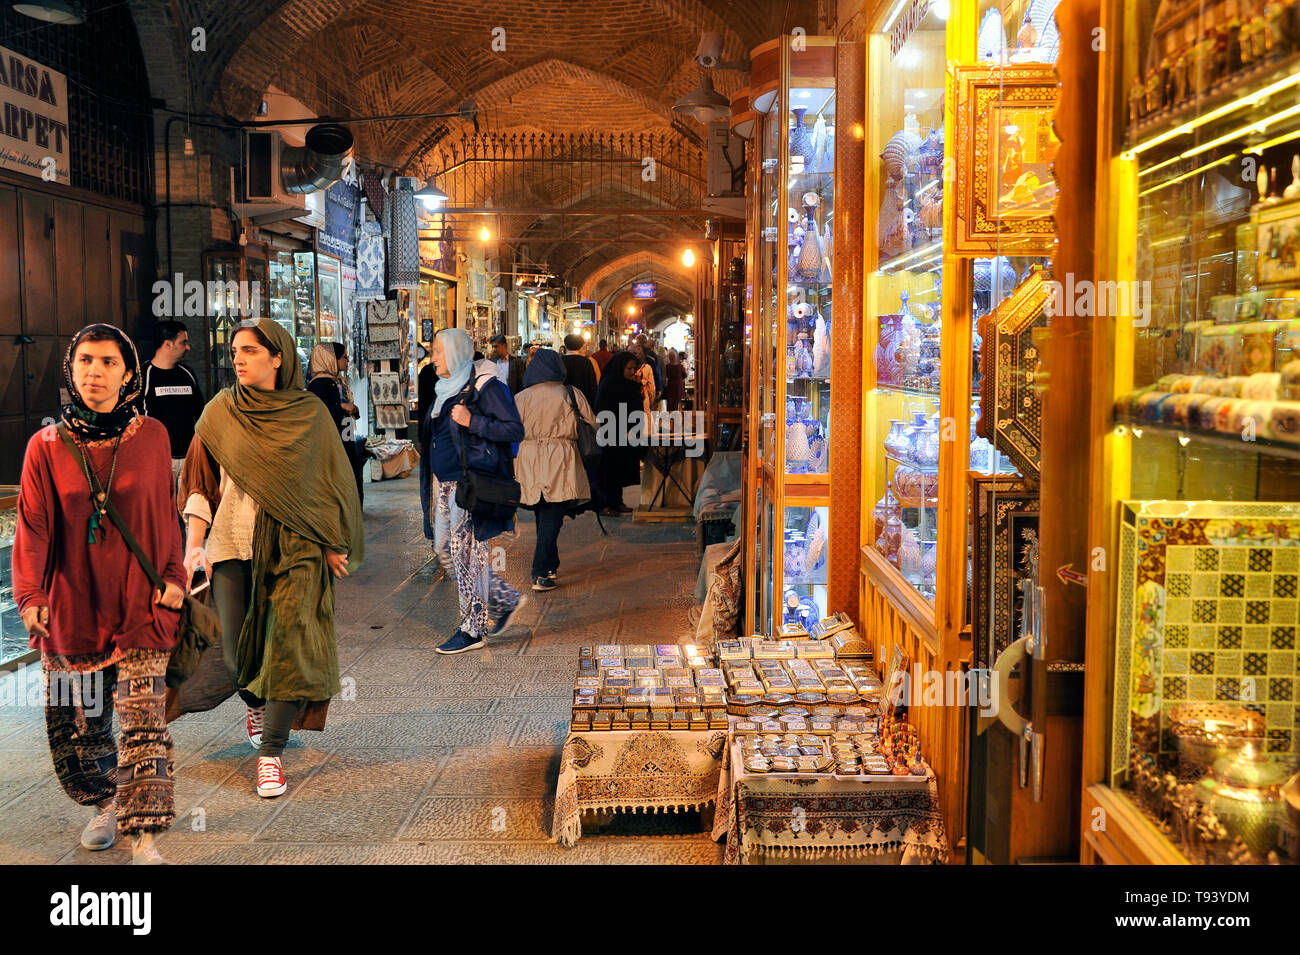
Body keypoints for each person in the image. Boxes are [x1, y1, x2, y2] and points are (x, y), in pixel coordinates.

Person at [14, 323, 185, 865]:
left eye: (109, 362)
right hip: (73, 603)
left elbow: (164, 516)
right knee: (80, 721)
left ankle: (146, 835)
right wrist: (30, 595)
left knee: (143, 719)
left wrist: (176, 577)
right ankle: (105, 802)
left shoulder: (153, 436)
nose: (95, 371)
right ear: (71, 368)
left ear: (128, 373)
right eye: (86, 360)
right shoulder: (43, 446)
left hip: (140, 599)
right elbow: (34, 525)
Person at [180, 318, 363, 799]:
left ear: (277, 357)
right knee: (239, 655)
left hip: (297, 545)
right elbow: (200, 484)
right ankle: (254, 702)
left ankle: (271, 756)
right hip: (232, 546)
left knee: (288, 644)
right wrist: (194, 544)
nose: (237, 358)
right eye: (235, 350)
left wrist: (330, 541)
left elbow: (326, 484)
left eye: (250, 350)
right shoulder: (220, 412)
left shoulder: (310, 413)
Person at [425, 327, 526, 654]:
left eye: (438, 351)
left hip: (470, 486)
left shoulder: (485, 386)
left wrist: (472, 421)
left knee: (465, 554)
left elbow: (514, 429)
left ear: (454, 353)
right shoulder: (445, 388)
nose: (433, 358)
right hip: (446, 483)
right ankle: (504, 599)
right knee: (443, 550)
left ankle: (473, 627)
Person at [513, 348, 595, 591]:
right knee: (553, 512)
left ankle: (550, 564)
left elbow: (510, 429)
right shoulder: (570, 394)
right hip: (560, 458)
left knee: (543, 510)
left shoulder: (521, 397)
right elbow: (592, 422)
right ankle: (540, 572)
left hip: (528, 459)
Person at [140, 319, 205, 494]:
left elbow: (201, 413)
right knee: (163, 516)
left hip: (189, 460)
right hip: (159, 462)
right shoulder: (143, 376)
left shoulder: (188, 373)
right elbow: (135, 423)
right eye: (183, 342)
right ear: (168, 344)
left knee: (190, 516)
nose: (188, 347)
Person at [306, 343, 364, 505]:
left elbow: (346, 407)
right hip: (332, 442)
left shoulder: (337, 381)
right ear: (331, 359)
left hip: (345, 436)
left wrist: (353, 409)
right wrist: (342, 407)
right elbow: (318, 413)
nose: (347, 360)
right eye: (344, 357)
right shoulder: (318, 385)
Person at [594, 351, 646, 516]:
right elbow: (604, 408)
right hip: (611, 433)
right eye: (629, 368)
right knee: (609, 470)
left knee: (618, 469)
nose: (632, 372)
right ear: (620, 367)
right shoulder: (610, 383)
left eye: (634, 368)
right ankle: (605, 505)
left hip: (623, 433)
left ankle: (617, 502)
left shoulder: (625, 383)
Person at [417, 358, 452, 571]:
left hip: (449, 449)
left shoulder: (461, 374)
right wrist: (422, 437)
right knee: (433, 492)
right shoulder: (429, 373)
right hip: (433, 443)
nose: (435, 356)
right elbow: (423, 406)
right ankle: (437, 538)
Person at [562, 333, 599, 409]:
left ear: (565, 345)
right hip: (584, 401)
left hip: (563, 400)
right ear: (581, 346)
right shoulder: (586, 361)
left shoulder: (560, 360)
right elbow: (592, 383)